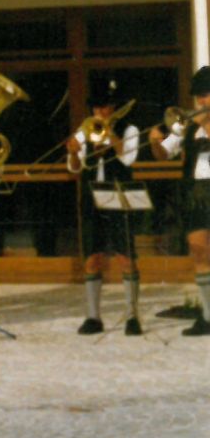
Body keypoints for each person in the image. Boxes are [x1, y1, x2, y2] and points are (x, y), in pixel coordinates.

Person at [66, 79, 142, 335]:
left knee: (126, 256)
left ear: (113, 107)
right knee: (92, 256)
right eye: (97, 108)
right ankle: (93, 317)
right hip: (91, 197)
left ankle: (132, 317)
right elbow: (74, 169)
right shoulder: (83, 129)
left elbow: (128, 157)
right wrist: (75, 152)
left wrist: (110, 136)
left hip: (117, 195)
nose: (100, 113)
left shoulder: (129, 129)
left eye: (105, 108)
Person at [155, 67, 210, 337]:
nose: (201, 101)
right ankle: (207, 316)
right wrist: (156, 142)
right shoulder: (189, 126)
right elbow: (164, 153)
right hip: (196, 196)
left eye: (206, 95)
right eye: (199, 96)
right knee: (199, 249)